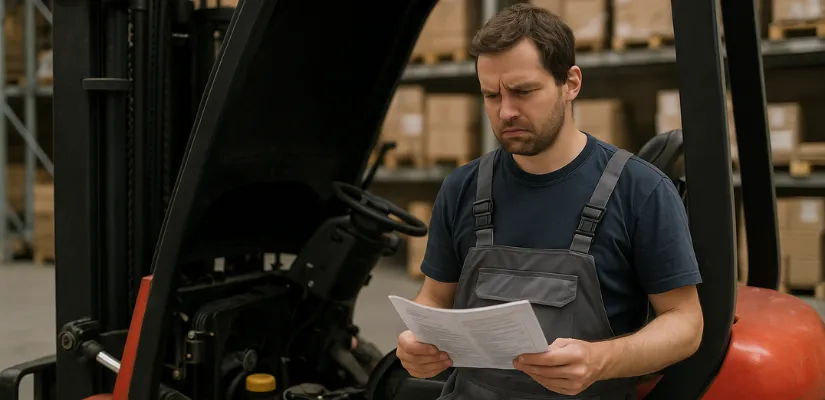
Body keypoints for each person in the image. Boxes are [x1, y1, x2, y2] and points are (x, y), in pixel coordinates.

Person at [394, 3, 704, 399]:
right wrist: (418, 341)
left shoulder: (640, 191)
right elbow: (435, 297)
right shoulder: (462, 187)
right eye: (491, 95)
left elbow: (685, 322)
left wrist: (600, 360)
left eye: (523, 92)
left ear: (571, 83)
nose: (505, 111)